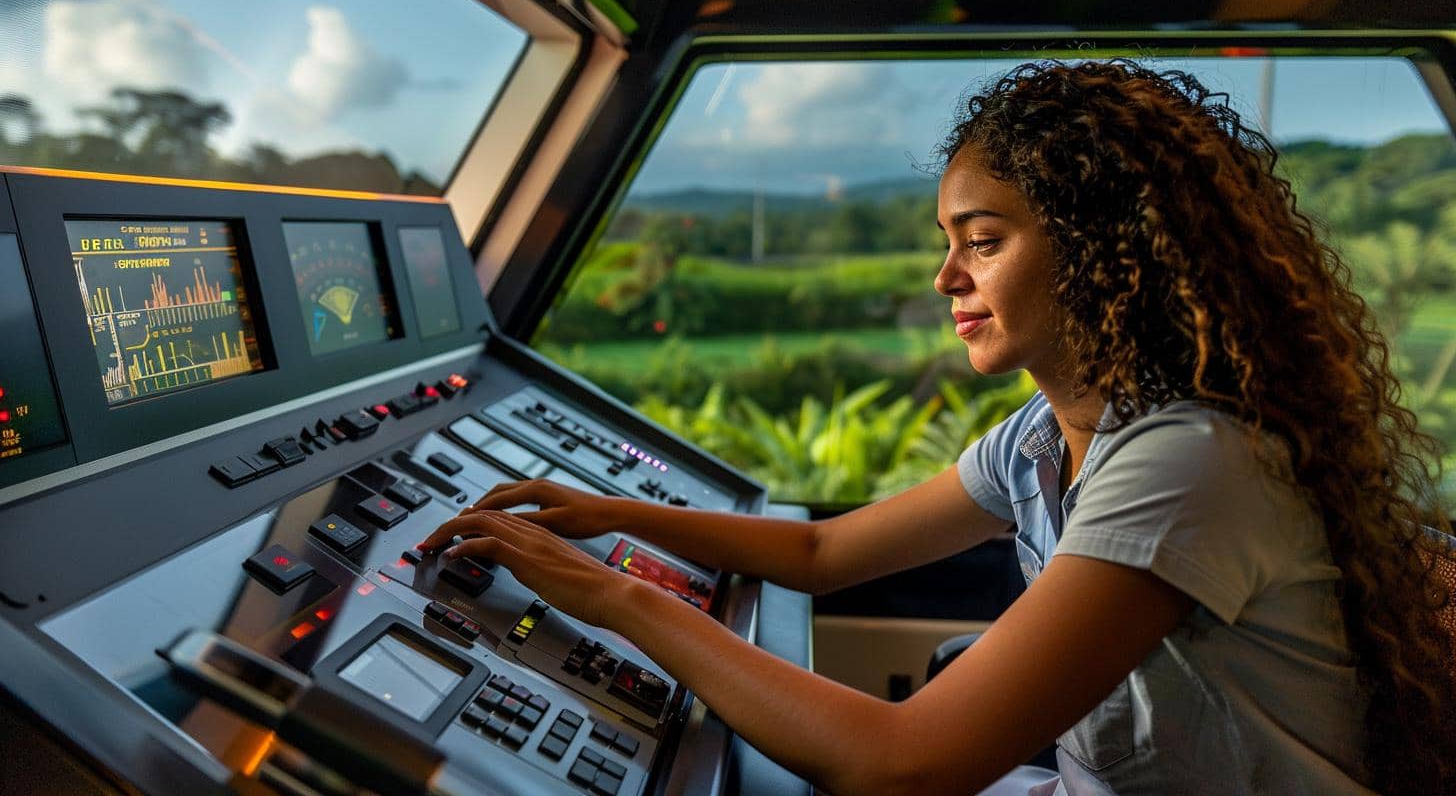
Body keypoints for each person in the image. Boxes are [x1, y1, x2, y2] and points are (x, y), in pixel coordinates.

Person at [421, 60, 1456, 795]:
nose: (944, 279)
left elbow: (903, 767)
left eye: (984, 241)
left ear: (1105, 252)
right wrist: (602, 512)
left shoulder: (1189, 460)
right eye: (945, 242)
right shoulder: (1045, 440)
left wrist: (612, 598)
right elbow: (824, 551)